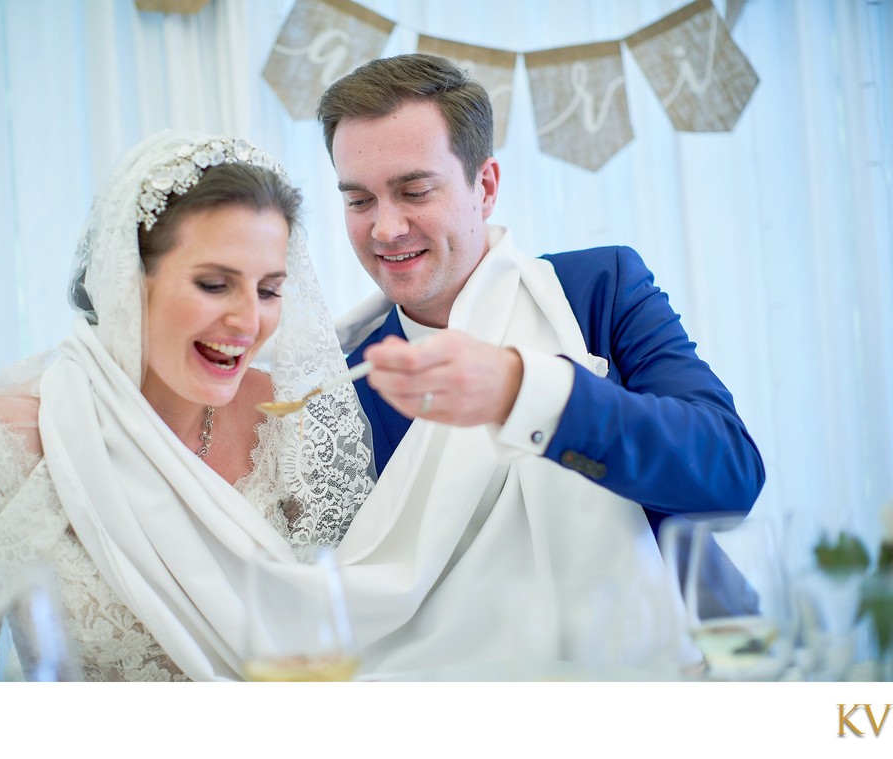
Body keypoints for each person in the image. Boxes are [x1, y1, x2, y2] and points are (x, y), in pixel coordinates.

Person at [316, 54, 766, 667]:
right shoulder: (346, 381)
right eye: (359, 200)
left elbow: (729, 479)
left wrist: (528, 392)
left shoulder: (599, 290)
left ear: (486, 187)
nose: (386, 228)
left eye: (414, 191)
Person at [0, 131, 376, 681]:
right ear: (126, 278)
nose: (247, 322)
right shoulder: (4, 442)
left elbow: (346, 621)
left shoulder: (285, 417)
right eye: (214, 284)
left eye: (268, 290)